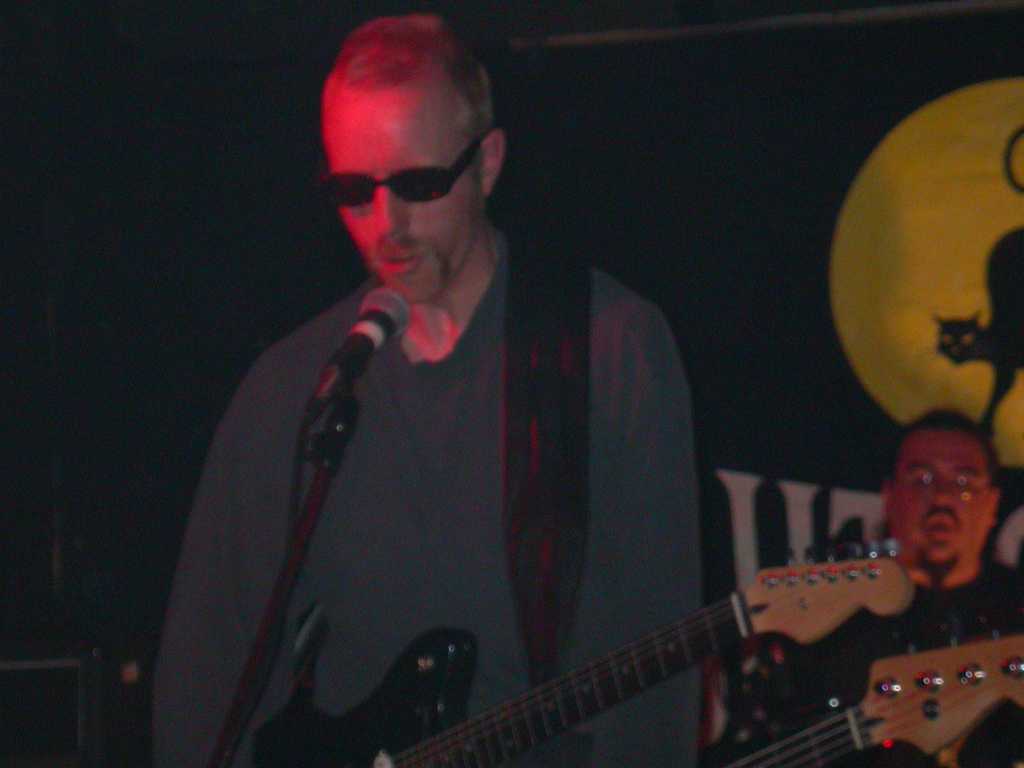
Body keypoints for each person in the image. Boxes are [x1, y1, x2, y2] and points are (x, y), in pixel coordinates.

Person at [153, 14, 702, 768]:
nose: (389, 225)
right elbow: (208, 677)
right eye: (354, 190)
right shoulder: (294, 388)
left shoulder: (611, 350)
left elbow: (657, 666)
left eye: (418, 184)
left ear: (488, 164)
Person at [701, 409, 1024, 767]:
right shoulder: (830, 611)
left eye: (963, 482)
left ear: (992, 503)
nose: (942, 498)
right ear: (889, 494)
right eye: (922, 478)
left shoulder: (1014, 610)